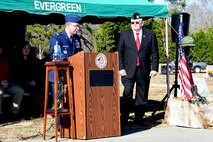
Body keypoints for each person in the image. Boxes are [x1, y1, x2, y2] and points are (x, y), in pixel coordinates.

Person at [117, 12, 159, 127]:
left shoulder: (150, 35)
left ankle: (139, 119)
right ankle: (123, 120)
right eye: (132, 23)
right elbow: (119, 53)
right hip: (128, 70)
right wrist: (120, 68)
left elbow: (155, 53)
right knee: (127, 95)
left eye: (137, 22)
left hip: (144, 70)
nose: (134, 24)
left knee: (142, 95)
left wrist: (154, 68)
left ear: (142, 23)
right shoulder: (124, 35)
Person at [48, 14, 83, 127]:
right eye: (76, 26)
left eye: (78, 26)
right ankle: (60, 127)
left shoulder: (76, 39)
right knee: (59, 101)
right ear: (68, 25)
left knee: (73, 99)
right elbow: (55, 55)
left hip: (73, 73)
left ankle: (73, 124)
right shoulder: (57, 38)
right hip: (60, 74)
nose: (77, 28)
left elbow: (80, 54)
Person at [0, 44, 24, 116]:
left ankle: (14, 112)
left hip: (7, 84)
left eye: (1, 47)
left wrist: (8, 82)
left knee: (19, 90)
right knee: (0, 92)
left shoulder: (5, 60)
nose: (1, 49)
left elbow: (11, 73)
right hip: (0, 84)